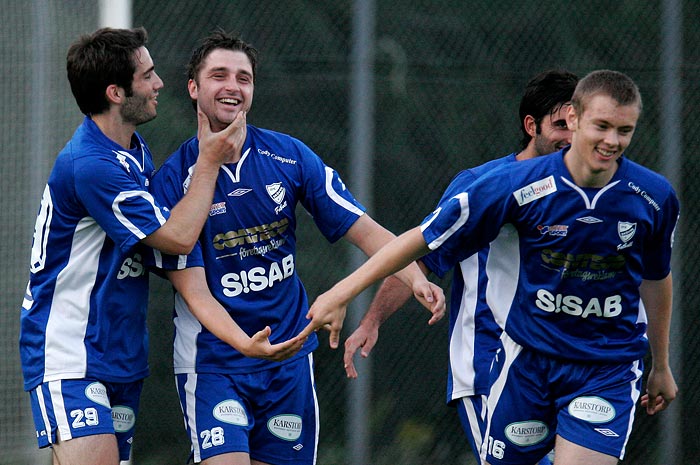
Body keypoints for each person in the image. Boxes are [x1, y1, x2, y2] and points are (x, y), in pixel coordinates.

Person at [302, 69, 679, 465]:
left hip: (607, 366)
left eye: (624, 130)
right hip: (522, 362)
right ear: (574, 119)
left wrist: (661, 363)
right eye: (601, 126)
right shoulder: (507, 185)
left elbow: (656, 278)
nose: (611, 141)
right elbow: (421, 243)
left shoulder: (652, 196)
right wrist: (343, 294)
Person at [148, 30, 445, 465]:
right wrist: (245, 345)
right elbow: (196, 293)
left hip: (288, 362)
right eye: (219, 75)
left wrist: (415, 276)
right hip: (214, 364)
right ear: (193, 87)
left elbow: (366, 230)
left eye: (244, 78)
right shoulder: (172, 181)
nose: (232, 86)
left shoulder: (289, 157)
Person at [18, 27, 300, 465]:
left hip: (118, 353)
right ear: (116, 92)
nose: (158, 84)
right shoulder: (91, 165)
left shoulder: (131, 150)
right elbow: (178, 237)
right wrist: (208, 161)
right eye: (147, 76)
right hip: (69, 352)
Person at [342, 69, 578, 464]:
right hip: (486, 366)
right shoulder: (482, 184)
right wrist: (371, 321)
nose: (569, 137)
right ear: (531, 125)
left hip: (563, 365)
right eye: (559, 124)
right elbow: (421, 254)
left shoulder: (588, 193)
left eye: (577, 124)